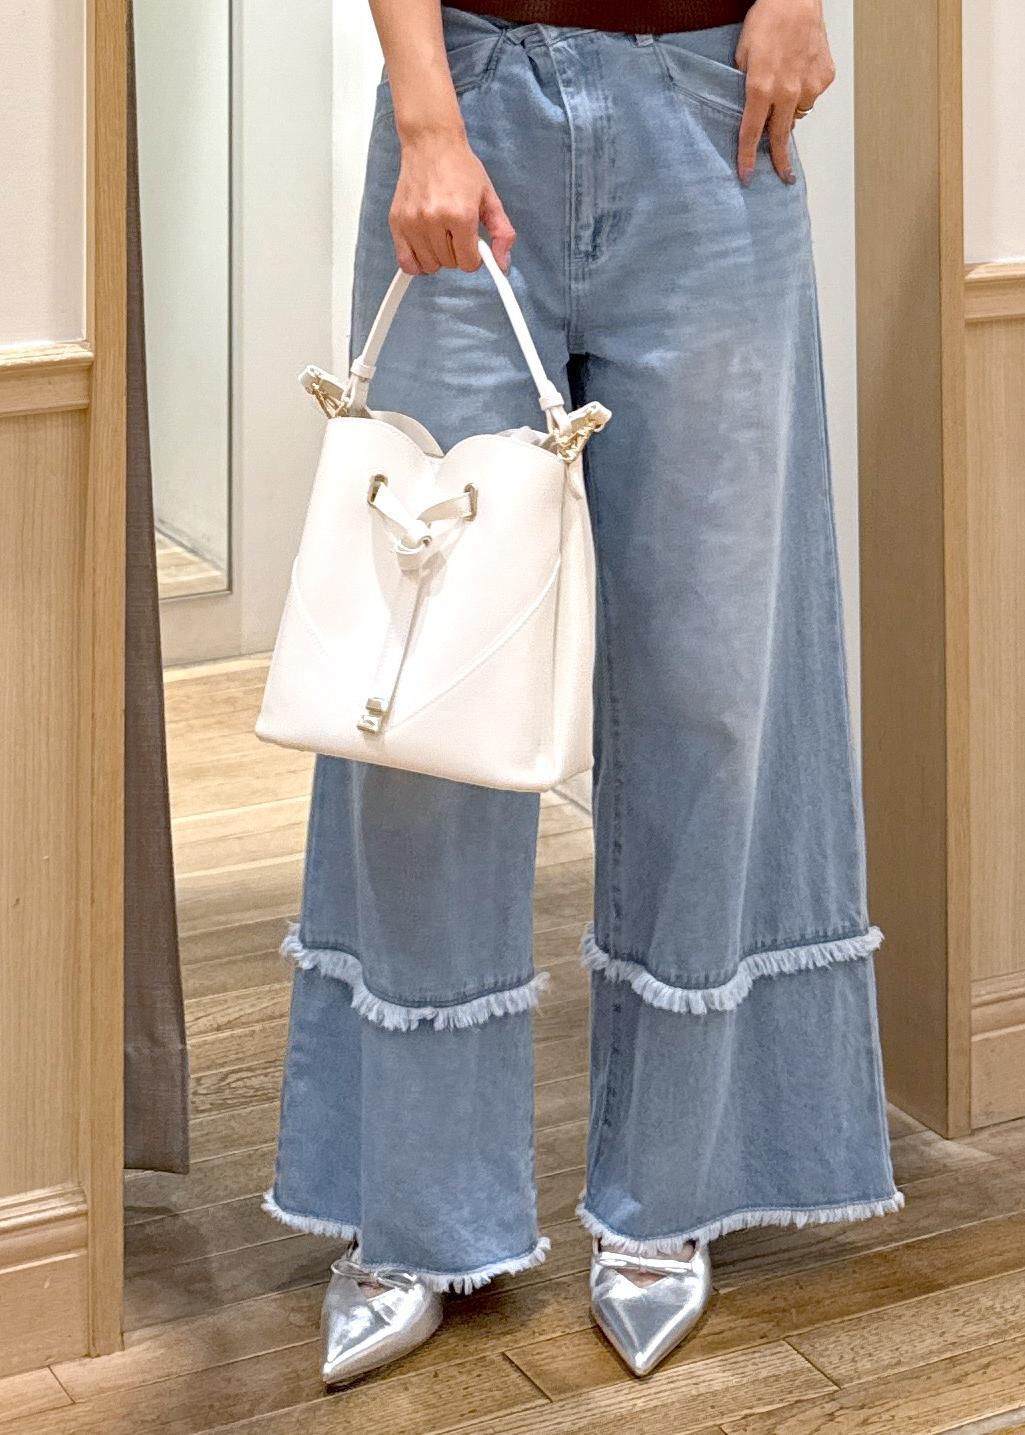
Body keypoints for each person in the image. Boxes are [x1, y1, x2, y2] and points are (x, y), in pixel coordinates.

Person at [262, 0, 904, 1386]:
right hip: (468, 99)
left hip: (715, 113)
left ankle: (672, 1191)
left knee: (714, 683)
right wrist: (424, 112)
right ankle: (414, 1211)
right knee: (425, 686)